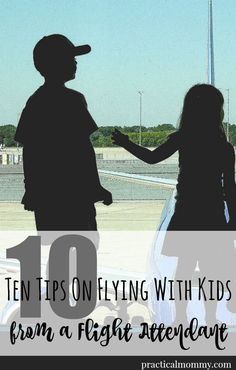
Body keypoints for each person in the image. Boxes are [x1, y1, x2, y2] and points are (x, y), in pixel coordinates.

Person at [112, 84, 236, 325]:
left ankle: (180, 316)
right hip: (212, 216)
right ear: (216, 112)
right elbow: (230, 188)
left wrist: (126, 143)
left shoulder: (183, 138)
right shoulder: (224, 148)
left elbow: (151, 158)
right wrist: (233, 221)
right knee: (210, 272)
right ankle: (210, 319)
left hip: (187, 214)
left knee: (184, 269)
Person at [15, 34, 112, 231]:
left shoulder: (34, 102)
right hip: (75, 194)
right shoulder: (73, 100)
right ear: (57, 63)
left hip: (47, 196)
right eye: (71, 58)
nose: (76, 63)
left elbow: (30, 151)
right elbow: (83, 149)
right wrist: (96, 187)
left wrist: (31, 189)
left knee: (57, 253)